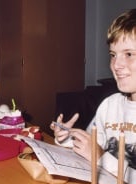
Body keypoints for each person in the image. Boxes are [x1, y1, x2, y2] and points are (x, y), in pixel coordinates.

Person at [50, 9, 136, 173]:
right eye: (113, 55)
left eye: (129, 54)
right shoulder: (109, 104)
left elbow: (97, 154)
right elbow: (92, 146)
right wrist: (67, 137)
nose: (116, 65)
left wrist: (101, 158)